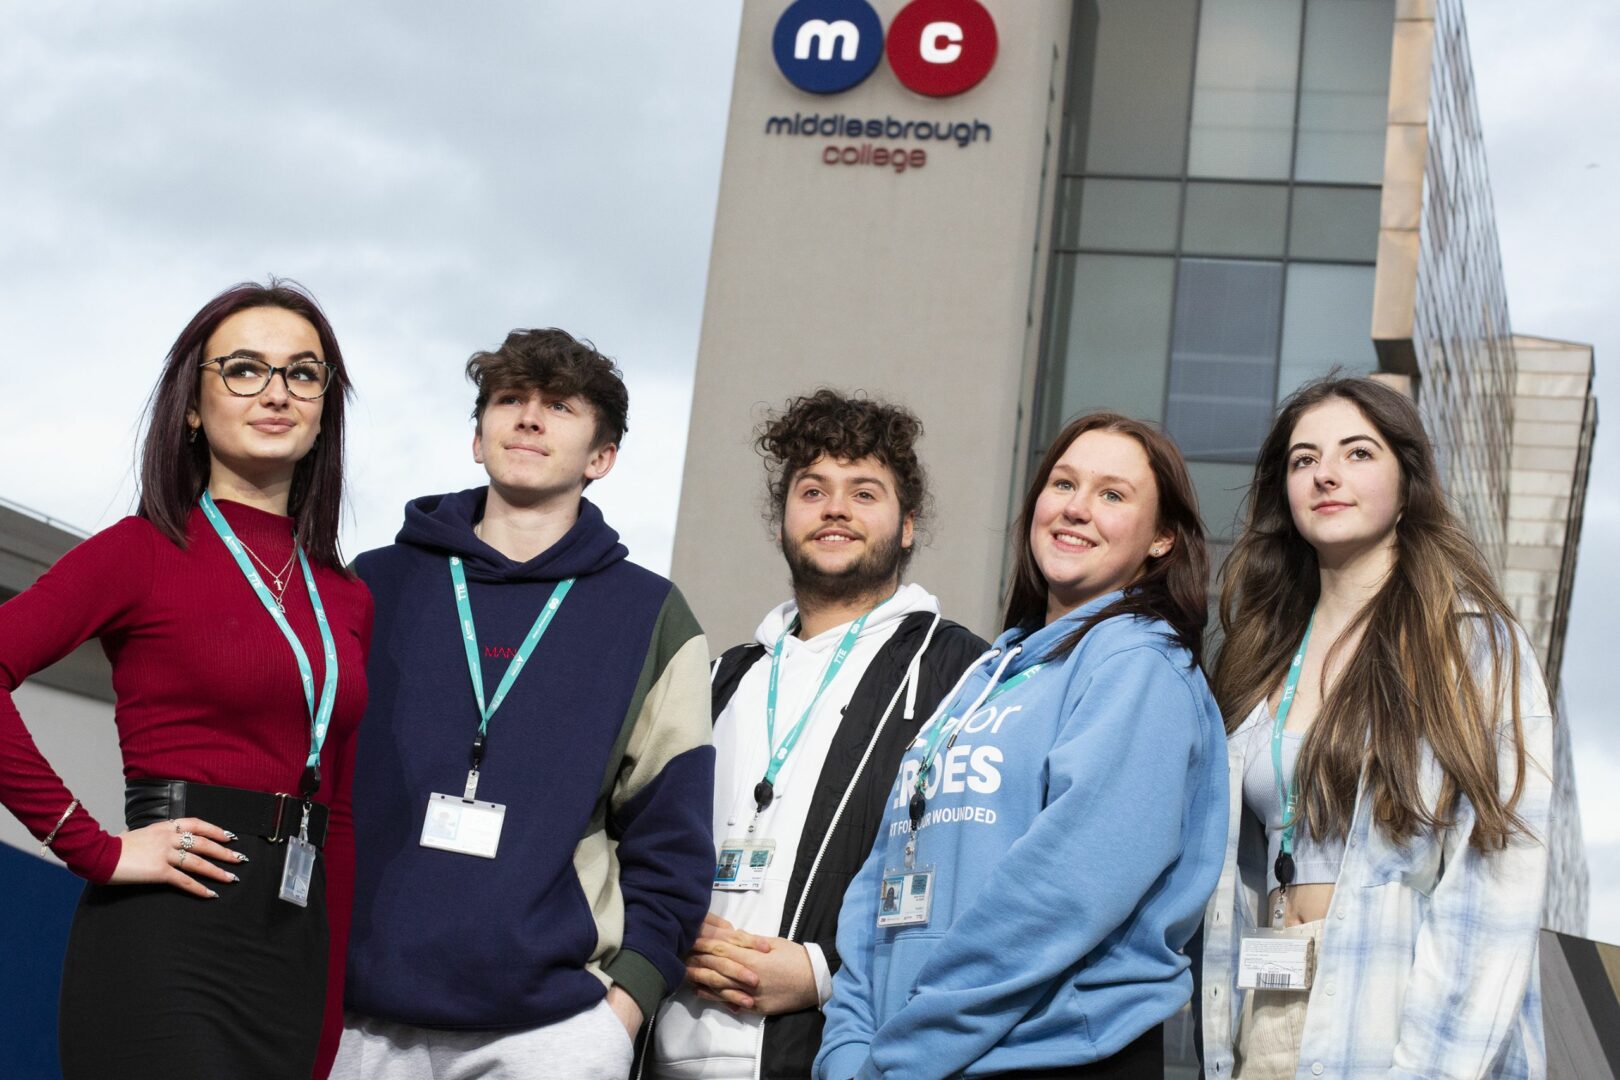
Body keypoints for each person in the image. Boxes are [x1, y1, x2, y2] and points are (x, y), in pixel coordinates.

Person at [0, 280, 372, 1079]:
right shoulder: (140, 550)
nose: (276, 392)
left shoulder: (345, 595)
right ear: (194, 407)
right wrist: (88, 846)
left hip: (292, 955)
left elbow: (334, 815)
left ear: (323, 410)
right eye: (244, 369)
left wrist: (328, 1010)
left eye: (303, 373)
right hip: (169, 934)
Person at [335, 328, 714, 1079]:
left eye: (560, 406)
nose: (530, 419)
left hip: (554, 1030)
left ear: (601, 458)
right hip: (356, 1016)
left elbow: (670, 844)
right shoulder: (373, 584)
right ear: (478, 438)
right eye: (510, 400)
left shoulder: (652, 616)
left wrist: (622, 1013)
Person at [816, 412, 1229, 1080]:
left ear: (1161, 539)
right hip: (902, 1059)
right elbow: (884, 871)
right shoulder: (989, 674)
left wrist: (901, 1056)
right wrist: (847, 1049)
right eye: (1063, 483)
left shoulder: (1143, 667)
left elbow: (1059, 896)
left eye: (1112, 495)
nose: (1075, 508)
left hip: (1046, 1059)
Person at [1200, 377, 1554, 1079]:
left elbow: (1496, 888)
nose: (1326, 473)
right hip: (1270, 1009)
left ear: (1408, 482)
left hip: (1398, 1015)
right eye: (1304, 460)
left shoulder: (1472, 647)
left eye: (1358, 453)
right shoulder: (1260, 655)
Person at [643, 390, 987, 1080]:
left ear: (908, 524)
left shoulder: (961, 676)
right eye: (812, 490)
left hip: (822, 1052)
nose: (835, 509)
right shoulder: (715, 679)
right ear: (781, 523)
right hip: (662, 1048)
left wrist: (821, 971)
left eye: (864, 492)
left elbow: (976, 882)